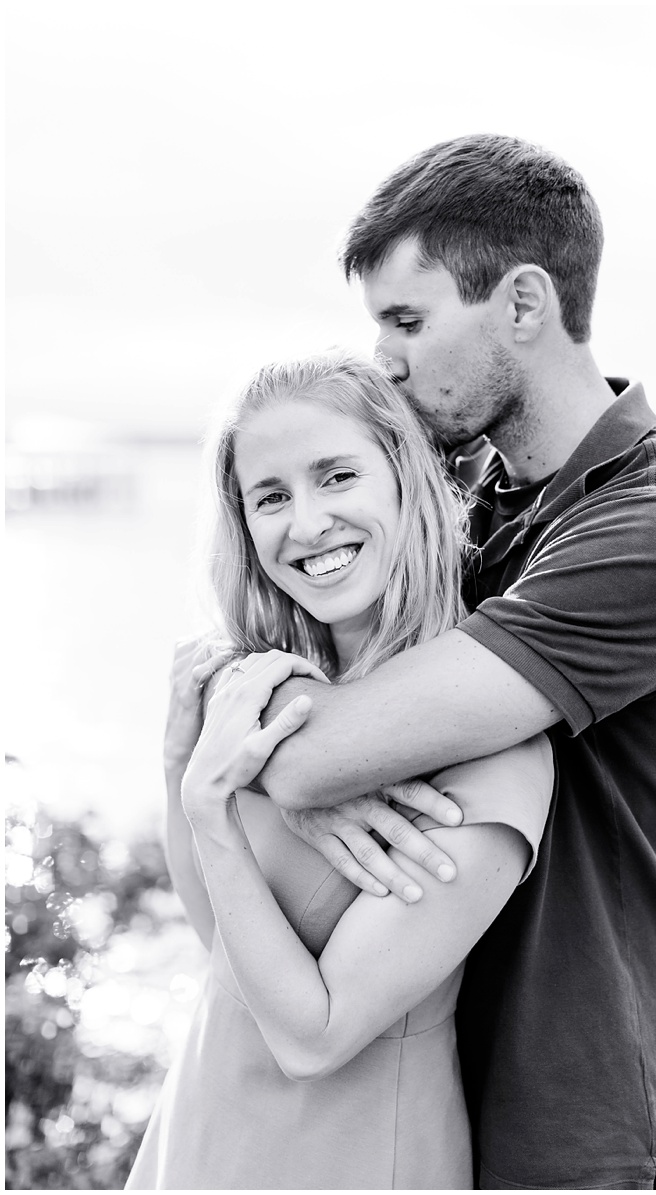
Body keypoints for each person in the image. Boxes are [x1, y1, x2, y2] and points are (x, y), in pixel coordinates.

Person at [248, 135, 656, 1190]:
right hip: (441, 1099)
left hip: (593, 1125)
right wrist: (222, 690)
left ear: (522, 304)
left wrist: (282, 770)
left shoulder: (655, 528)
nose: (382, 358)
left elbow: (305, 757)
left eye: (407, 320)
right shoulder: (473, 498)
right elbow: (291, 645)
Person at [125, 350, 554, 1191]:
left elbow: (314, 1035)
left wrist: (215, 807)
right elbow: (223, 947)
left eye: (337, 476)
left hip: (350, 1155)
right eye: (272, 495)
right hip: (205, 1129)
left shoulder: (492, 749)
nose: (308, 522)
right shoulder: (273, 685)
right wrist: (185, 760)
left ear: (406, 480)